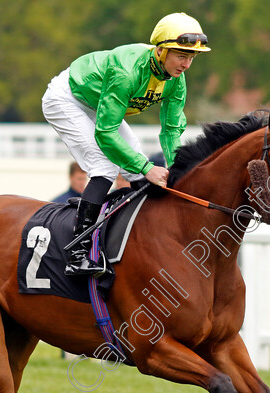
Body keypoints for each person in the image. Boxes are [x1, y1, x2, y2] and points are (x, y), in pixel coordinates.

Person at [42, 12, 210, 276]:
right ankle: (77, 252)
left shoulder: (176, 79)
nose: (187, 64)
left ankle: (140, 235)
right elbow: (106, 133)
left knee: (135, 164)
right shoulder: (126, 71)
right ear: (160, 51)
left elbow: (171, 130)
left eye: (191, 58)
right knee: (104, 167)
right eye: (181, 56)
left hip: (100, 102)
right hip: (68, 98)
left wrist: (176, 168)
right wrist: (147, 168)